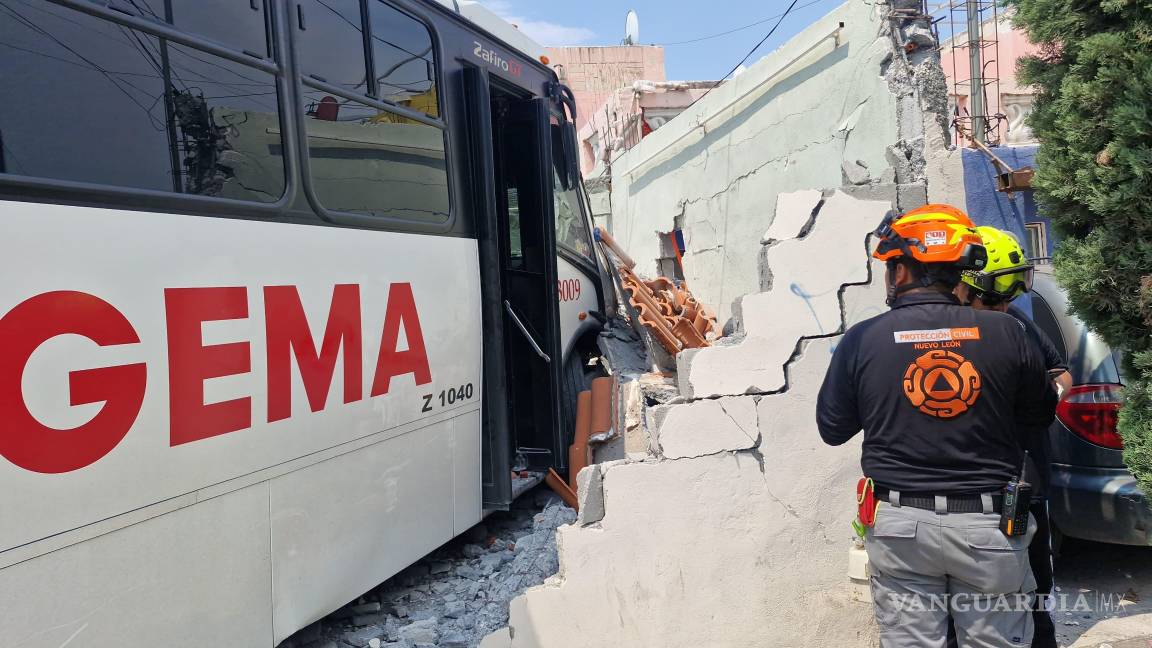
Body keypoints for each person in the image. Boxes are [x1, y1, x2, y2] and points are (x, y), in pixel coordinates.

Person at [816, 204, 1058, 648]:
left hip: (900, 529)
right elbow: (1038, 415)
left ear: (902, 271)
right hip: (990, 528)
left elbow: (832, 429)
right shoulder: (1008, 333)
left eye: (890, 268)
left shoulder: (863, 339)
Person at [949, 225, 1065, 648]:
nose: (1005, 304)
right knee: (965, 605)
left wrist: (1044, 392)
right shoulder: (945, 335)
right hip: (969, 494)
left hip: (1025, 482)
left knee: (1036, 592)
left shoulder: (1017, 323)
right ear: (967, 287)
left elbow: (1059, 374)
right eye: (996, 296)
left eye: (1012, 294)